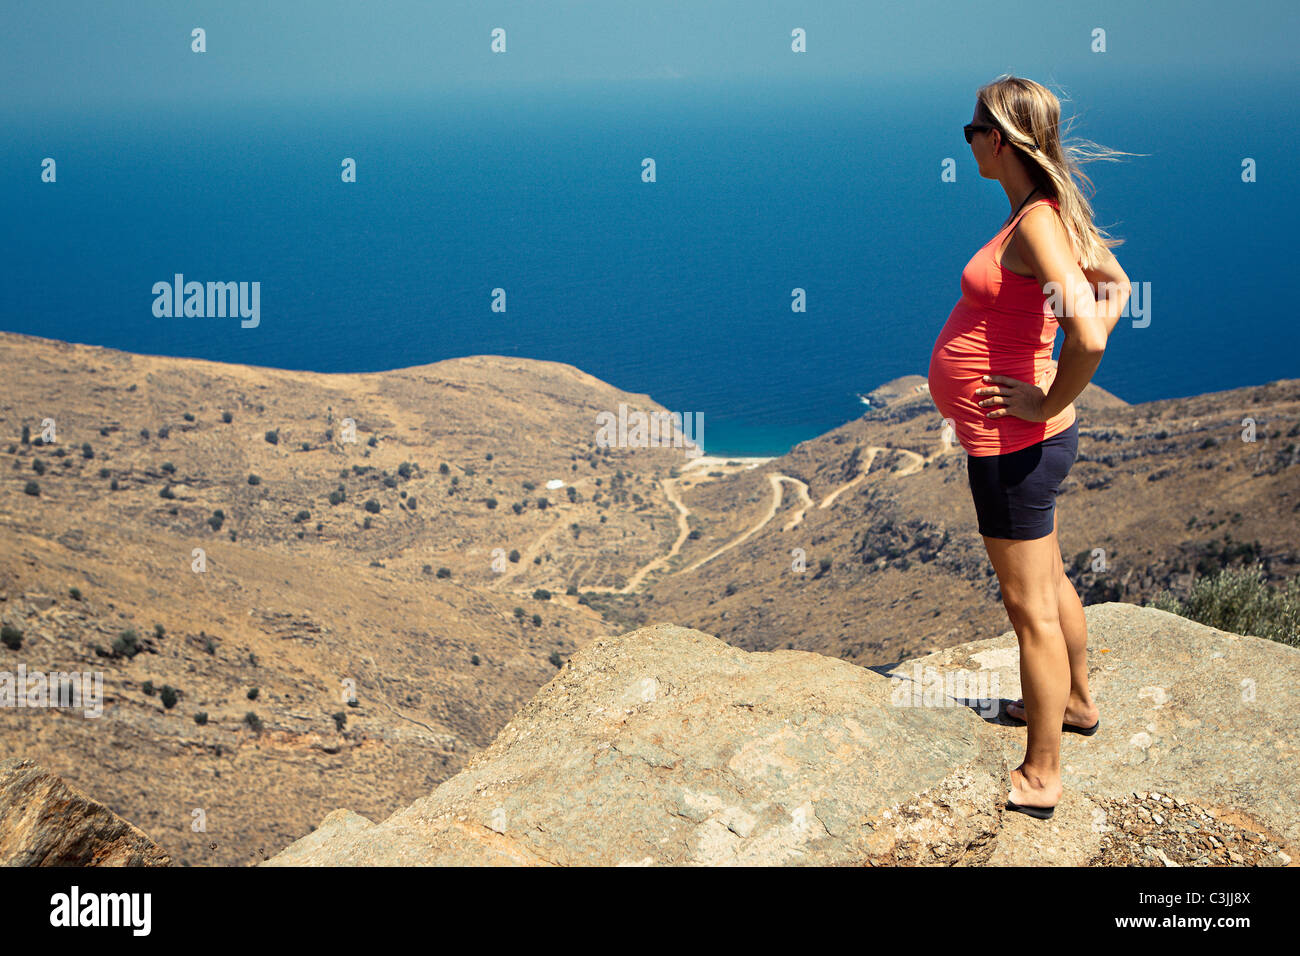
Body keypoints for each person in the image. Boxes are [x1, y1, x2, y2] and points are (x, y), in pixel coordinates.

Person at [927, 74, 1134, 819]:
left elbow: (1092, 327)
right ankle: (1075, 703)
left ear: (1001, 139)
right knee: (1050, 583)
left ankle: (1042, 776)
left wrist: (1047, 393)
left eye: (971, 130)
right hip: (1033, 440)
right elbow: (1119, 284)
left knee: (1029, 610)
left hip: (1012, 443)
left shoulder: (1039, 223)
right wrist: (1047, 383)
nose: (969, 141)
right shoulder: (1048, 213)